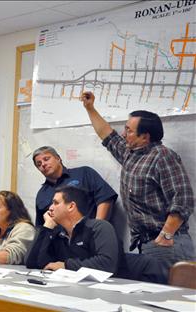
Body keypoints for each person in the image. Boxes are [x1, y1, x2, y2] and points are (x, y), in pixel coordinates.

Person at [80, 91, 194, 273]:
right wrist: (90, 108)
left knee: (172, 299)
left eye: (129, 130)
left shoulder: (162, 156)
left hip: (168, 243)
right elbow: (106, 134)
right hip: (148, 243)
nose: (124, 134)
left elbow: (183, 199)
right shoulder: (130, 154)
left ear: (145, 137)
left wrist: (166, 234)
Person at [26, 185, 166, 283]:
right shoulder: (58, 233)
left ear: (71, 206)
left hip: (133, 285)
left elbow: (107, 264)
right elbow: (33, 263)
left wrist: (66, 265)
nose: (50, 208)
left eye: (55, 203)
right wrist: (47, 227)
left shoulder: (99, 227)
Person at [32, 146, 118, 226]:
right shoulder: (41, 195)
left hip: (90, 236)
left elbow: (105, 198)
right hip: (59, 241)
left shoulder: (83, 173)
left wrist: (97, 230)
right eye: (39, 164)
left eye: (46, 159)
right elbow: (41, 227)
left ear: (58, 158)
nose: (43, 164)